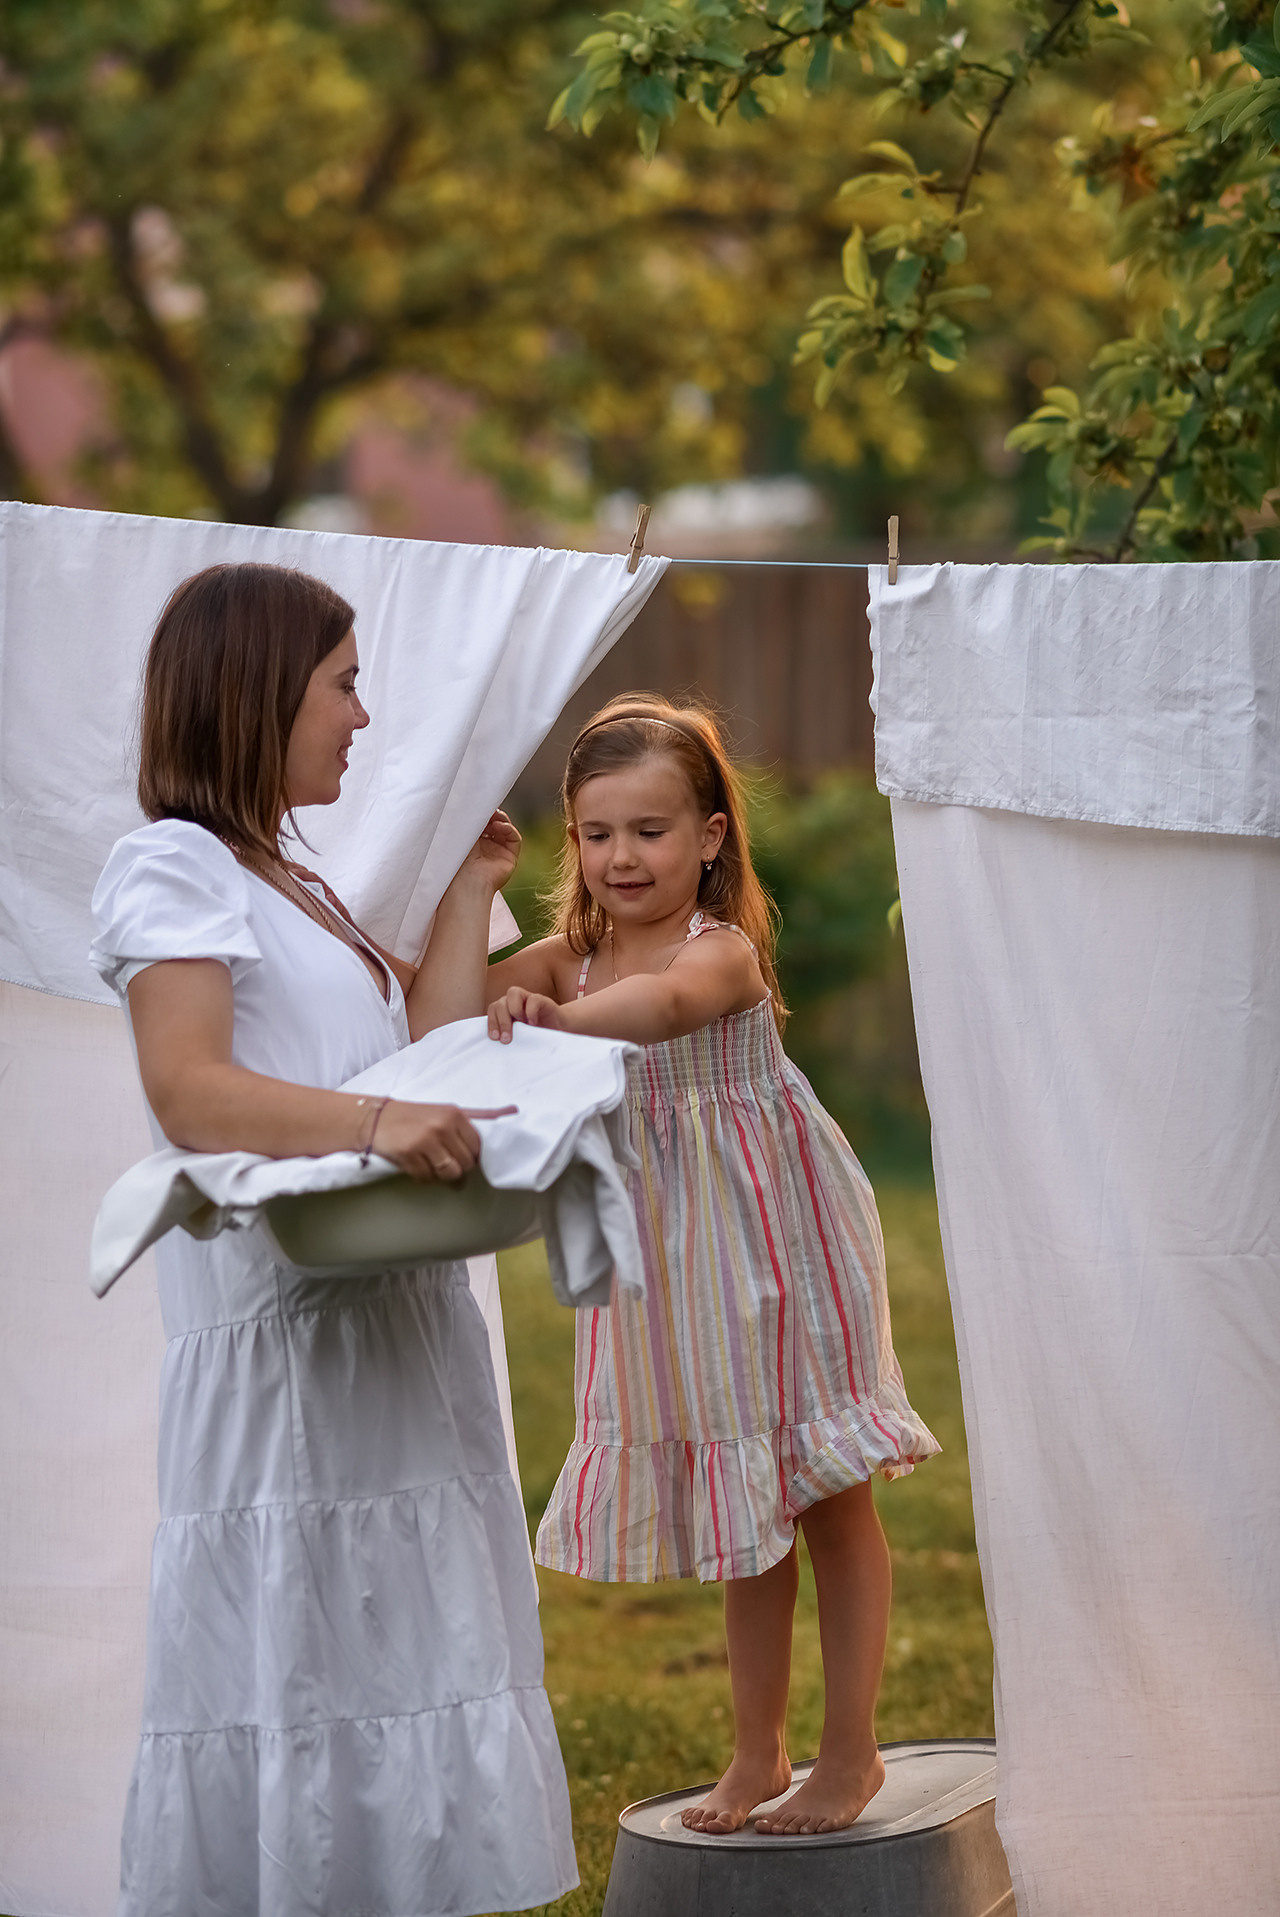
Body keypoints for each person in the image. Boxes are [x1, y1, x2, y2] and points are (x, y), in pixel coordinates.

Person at [88, 562, 577, 1916]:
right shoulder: (174, 864)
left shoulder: (295, 875)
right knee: (304, 1659)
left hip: (387, 1315)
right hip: (283, 1333)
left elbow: (410, 1050)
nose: (365, 717)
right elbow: (190, 1086)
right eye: (343, 684)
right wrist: (374, 1117)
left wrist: (476, 890)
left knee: (403, 1652)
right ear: (256, 693)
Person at [483, 694, 940, 1838]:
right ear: (570, 841)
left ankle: (850, 1756)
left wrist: (551, 1022)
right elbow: (446, 995)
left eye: (649, 830)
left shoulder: (714, 950)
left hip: (776, 1238)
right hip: (670, 1263)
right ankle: (755, 1754)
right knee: (748, 1504)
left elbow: (661, 1008)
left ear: (708, 836)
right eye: (596, 834)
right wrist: (463, 892)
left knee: (822, 1500)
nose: (621, 857)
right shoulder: (575, 956)